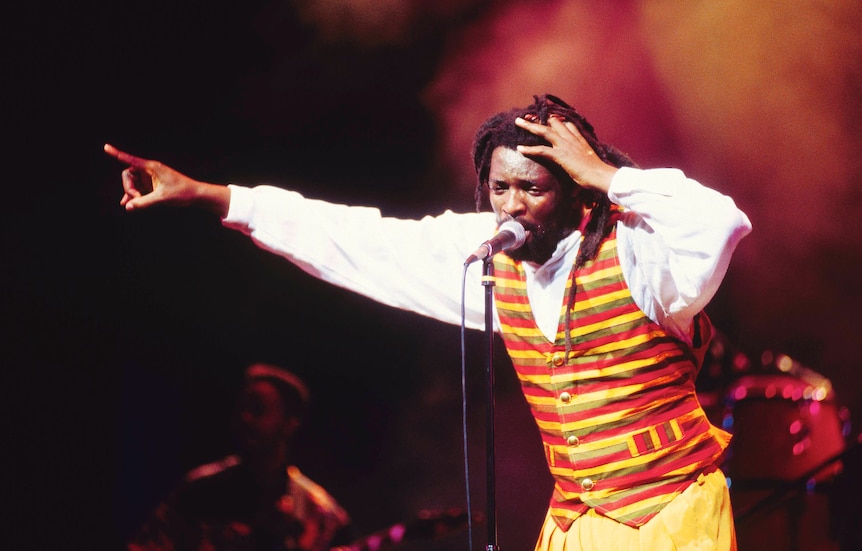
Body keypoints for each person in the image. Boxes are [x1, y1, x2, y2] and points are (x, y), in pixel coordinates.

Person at [108, 94, 752, 551]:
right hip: (579, 521)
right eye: (500, 188)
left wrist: (609, 175)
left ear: (576, 190)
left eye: (534, 188)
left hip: (671, 515)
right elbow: (359, 239)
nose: (512, 206)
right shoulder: (494, 259)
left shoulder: (638, 252)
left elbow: (720, 223)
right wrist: (215, 195)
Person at [127, 364, 352, 551]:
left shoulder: (321, 515)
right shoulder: (199, 491)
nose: (245, 418)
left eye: (258, 409)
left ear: (290, 422)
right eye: (242, 408)